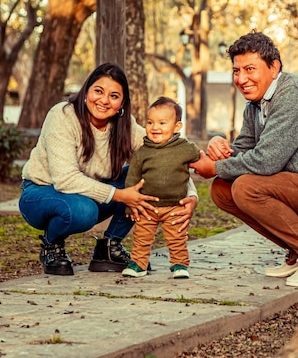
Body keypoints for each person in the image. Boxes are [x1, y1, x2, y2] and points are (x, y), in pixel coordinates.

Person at [18, 63, 198, 276]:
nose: (104, 100)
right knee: (83, 211)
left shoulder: (123, 124)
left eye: (114, 96)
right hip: (42, 193)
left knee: (141, 179)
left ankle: (108, 247)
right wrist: (121, 195)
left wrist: (191, 194)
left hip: (89, 194)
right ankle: (51, 244)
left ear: (122, 103)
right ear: (86, 92)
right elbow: (65, 179)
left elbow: (166, 156)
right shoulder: (63, 115)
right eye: (98, 91)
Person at [190, 31, 298, 288]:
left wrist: (214, 167)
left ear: (274, 67)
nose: (242, 79)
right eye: (237, 71)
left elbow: (266, 162)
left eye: (250, 69)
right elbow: (245, 149)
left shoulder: (294, 95)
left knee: (247, 187)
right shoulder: (256, 105)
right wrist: (218, 147)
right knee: (222, 190)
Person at [121, 97, 201, 279]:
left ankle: (179, 264)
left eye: (162, 123)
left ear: (177, 126)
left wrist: (216, 160)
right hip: (147, 205)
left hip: (176, 205)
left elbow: (201, 160)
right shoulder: (143, 152)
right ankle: (138, 265)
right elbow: (132, 178)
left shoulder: (185, 148)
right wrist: (129, 204)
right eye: (150, 122)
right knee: (142, 237)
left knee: (177, 237)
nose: (154, 127)